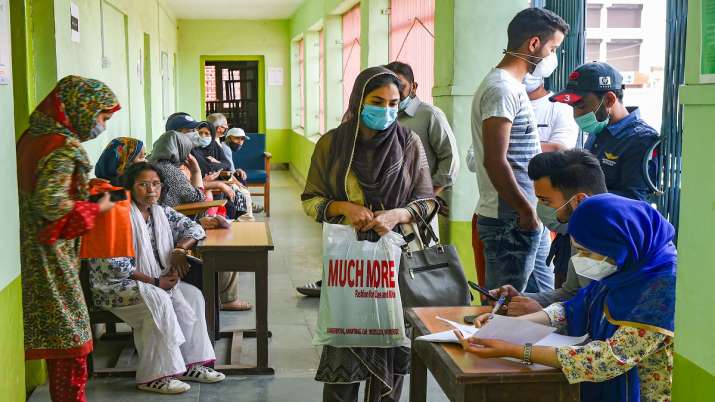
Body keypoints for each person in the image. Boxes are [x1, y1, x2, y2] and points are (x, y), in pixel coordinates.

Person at [302, 66, 437, 402]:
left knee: (390, 342)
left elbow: (426, 201)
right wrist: (343, 208)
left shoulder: (409, 143)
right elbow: (310, 200)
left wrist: (397, 214)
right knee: (345, 341)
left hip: (394, 263)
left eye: (394, 103)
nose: (387, 110)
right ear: (359, 100)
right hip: (349, 263)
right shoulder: (333, 144)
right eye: (378, 101)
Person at [458, 193, 676, 402]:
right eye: (578, 250)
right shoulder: (623, 268)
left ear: (619, 244)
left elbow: (608, 359)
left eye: (587, 253)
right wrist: (508, 324)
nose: (580, 260)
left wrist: (516, 351)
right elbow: (573, 308)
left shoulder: (662, 287)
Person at [16, 75, 120, 402]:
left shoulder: (33, 137)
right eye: (102, 117)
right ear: (80, 109)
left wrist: (85, 190)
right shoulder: (62, 147)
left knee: (59, 341)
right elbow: (51, 205)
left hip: (29, 251)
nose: (102, 125)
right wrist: (96, 207)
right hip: (50, 256)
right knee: (71, 341)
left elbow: (47, 190)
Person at [87, 162, 225, 394]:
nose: (151, 190)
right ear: (129, 187)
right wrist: (155, 282)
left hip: (151, 280)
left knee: (193, 296)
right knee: (157, 301)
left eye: (156, 184)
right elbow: (114, 265)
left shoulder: (160, 212)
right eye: (143, 185)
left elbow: (194, 228)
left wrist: (180, 249)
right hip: (114, 285)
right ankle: (155, 376)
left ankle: (192, 363)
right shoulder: (116, 212)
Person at [471, 8, 569, 292]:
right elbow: (495, 160)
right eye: (553, 48)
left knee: (538, 301)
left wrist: (531, 212)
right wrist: (525, 209)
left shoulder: (512, 87)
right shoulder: (501, 89)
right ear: (534, 44)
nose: (553, 57)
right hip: (509, 221)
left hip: (524, 216)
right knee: (505, 308)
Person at [490, 149, 608, 316]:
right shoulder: (580, 232)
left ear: (579, 200)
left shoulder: (618, 238)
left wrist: (546, 315)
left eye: (546, 200)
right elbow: (569, 293)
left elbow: (604, 309)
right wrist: (520, 299)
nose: (541, 208)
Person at [550, 62, 660, 202]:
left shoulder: (641, 140)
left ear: (609, 100)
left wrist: (581, 195)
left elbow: (636, 201)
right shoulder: (598, 128)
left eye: (582, 106)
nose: (576, 115)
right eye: (573, 107)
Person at [384, 61, 460, 197]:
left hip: (419, 207)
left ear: (413, 87)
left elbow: (450, 160)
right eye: (390, 85)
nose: (394, 91)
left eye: (400, 86)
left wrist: (426, 197)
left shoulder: (430, 115)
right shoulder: (383, 117)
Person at [148, 131, 206, 207]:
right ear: (181, 150)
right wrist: (196, 172)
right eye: (187, 150)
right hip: (171, 216)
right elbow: (198, 198)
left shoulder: (150, 165)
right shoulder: (169, 170)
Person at [523, 73, 579, 152]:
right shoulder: (506, 104)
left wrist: (510, 147)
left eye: (531, 70)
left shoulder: (562, 107)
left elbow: (560, 150)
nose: (525, 74)